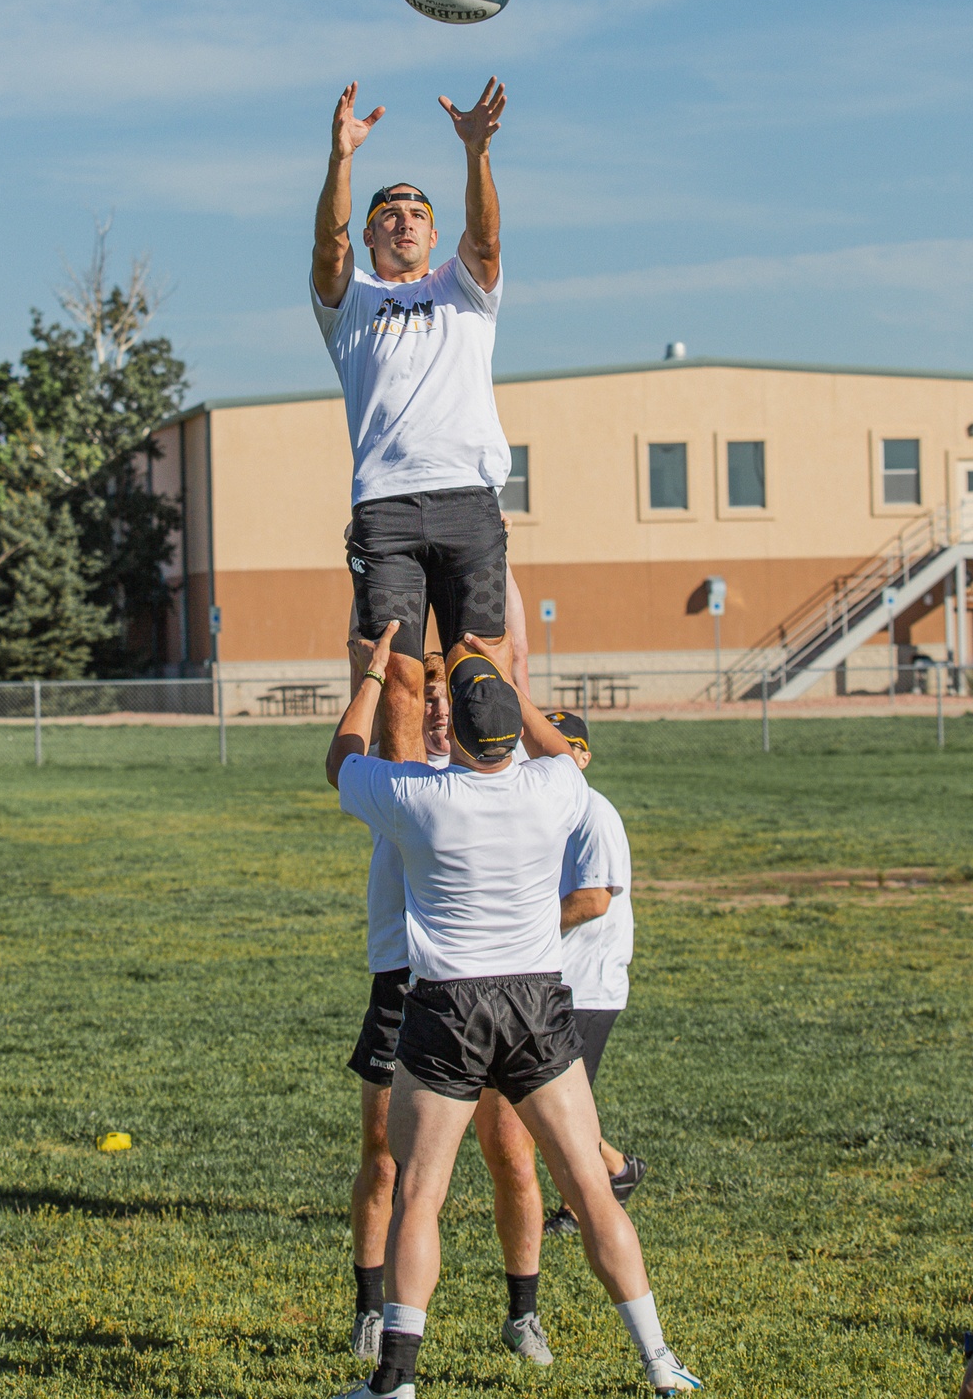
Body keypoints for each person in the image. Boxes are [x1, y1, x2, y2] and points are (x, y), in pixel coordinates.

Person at [326, 625, 701, 1398]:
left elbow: (339, 764)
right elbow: (559, 751)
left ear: (453, 730)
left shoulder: (418, 798)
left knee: (420, 1199)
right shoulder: (557, 788)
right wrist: (504, 681)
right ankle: (661, 1364)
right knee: (591, 1192)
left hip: (447, 1009)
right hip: (537, 1003)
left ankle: (395, 1378)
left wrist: (370, 678)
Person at [346, 650, 553, 1367]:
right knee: (385, 1164)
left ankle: (523, 1314)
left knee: (512, 1157)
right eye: (427, 699)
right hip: (404, 984)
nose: (437, 709)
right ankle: (373, 1310)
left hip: (485, 988)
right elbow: (376, 718)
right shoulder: (398, 779)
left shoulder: (505, 776)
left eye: (448, 700)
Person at [312, 77, 511, 765]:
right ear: (370, 233)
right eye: (389, 213)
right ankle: (406, 833)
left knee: (482, 672)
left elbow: (485, 235)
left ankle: (483, 823)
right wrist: (342, 159)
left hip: (468, 501)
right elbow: (327, 251)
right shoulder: (352, 303)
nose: (403, 219)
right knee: (394, 670)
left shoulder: (463, 288)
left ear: (433, 232)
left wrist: (476, 152)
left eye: (416, 213)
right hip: (386, 512)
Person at [541, 710, 648, 1235]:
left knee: (562, 1108)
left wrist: (525, 930)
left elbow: (593, 900)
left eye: (564, 747)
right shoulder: (544, 811)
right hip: (553, 980)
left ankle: (583, 1205)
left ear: (583, 757)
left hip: (587, 985)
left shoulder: (593, 814)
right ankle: (616, 1169)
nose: (549, 755)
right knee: (549, 1101)